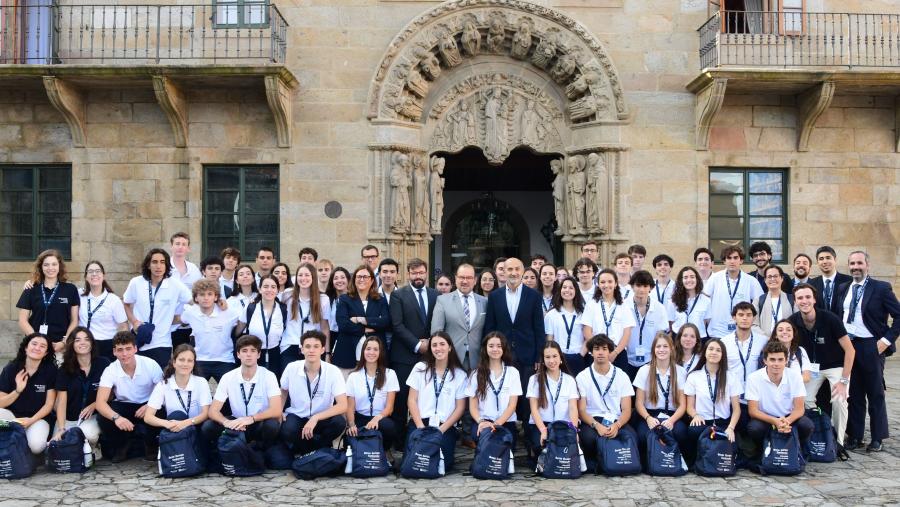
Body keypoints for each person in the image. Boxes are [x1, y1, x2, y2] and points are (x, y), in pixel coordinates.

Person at [834, 251, 900, 452]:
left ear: (867, 265)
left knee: (875, 393)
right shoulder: (843, 288)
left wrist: (886, 341)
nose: (855, 266)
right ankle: (855, 436)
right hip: (849, 347)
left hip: (871, 345)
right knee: (853, 393)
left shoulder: (881, 288)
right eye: (852, 263)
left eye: (859, 263)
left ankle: (878, 437)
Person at [789, 283, 853, 451]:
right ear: (795, 301)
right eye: (800, 298)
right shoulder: (793, 322)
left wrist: (844, 381)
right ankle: (820, 432)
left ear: (814, 299)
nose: (804, 301)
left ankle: (838, 442)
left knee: (839, 399)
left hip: (835, 366)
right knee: (805, 400)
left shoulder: (830, 319)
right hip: (811, 368)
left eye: (808, 297)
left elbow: (850, 350)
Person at [483, 257, 544, 421]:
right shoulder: (495, 296)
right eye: (509, 269)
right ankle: (507, 429)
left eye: (517, 269)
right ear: (503, 271)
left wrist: (539, 355)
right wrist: (488, 354)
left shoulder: (534, 296)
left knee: (525, 393)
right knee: (504, 392)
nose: (514, 273)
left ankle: (526, 430)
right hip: (502, 354)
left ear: (523, 271)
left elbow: (539, 328)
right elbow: (490, 327)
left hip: (528, 353)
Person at [388, 258, 438, 444]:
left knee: (427, 397)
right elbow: (397, 325)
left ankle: (427, 437)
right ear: (408, 274)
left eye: (421, 272)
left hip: (430, 356)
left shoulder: (436, 295)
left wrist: (431, 344)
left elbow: (439, 322)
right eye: (414, 273)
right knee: (401, 400)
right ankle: (401, 442)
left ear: (426, 273)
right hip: (404, 355)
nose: (418, 276)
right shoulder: (398, 295)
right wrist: (418, 344)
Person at [202, 335, 282, 450]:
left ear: (259, 354)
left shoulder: (269, 376)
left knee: (272, 425)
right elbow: (213, 411)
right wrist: (226, 422)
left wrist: (252, 418)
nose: (248, 354)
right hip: (236, 423)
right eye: (244, 351)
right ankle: (226, 451)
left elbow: (276, 410)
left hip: (257, 422)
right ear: (238, 354)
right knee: (208, 426)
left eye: (253, 351)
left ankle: (261, 451)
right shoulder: (228, 377)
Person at [96, 331, 163, 462]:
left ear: (135, 349)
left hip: (147, 403)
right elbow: (100, 402)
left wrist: (150, 405)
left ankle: (151, 445)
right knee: (104, 416)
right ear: (114, 352)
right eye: (120, 350)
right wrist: (117, 418)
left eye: (128, 349)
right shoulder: (110, 370)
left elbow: (164, 391)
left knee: (161, 410)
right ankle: (122, 445)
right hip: (124, 405)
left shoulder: (150, 364)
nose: (124, 354)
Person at [406, 332, 467, 472]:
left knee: (443, 464)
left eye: (442, 344)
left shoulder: (460, 375)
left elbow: (460, 408)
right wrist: (420, 426)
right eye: (434, 345)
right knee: (414, 462)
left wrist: (441, 430)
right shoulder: (420, 368)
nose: (438, 348)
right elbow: (412, 400)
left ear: (450, 347)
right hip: (420, 423)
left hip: (444, 425)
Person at [123, 248, 192, 369]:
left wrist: (181, 318)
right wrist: (134, 321)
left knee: (159, 382)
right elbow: (126, 303)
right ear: (148, 265)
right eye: (154, 262)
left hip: (162, 343)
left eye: (162, 262)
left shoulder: (175, 285)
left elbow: (194, 301)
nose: (158, 266)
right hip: (139, 340)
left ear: (166, 265)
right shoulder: (136, 282)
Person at [280, 331, 347, 454]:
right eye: (307, 346)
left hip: (322, 417)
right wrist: (279, 411)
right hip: (298, 415)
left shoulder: (333, 371)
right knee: (287, 429)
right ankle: (314, 451)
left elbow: (343, 405)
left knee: (339, 422)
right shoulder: (291, 367)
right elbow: (283, 390)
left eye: (316, 346)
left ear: (322, 350)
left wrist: (315, 418)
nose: (311, 350)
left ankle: (313, 450)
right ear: (301, 349)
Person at [745, 340, 814, 459]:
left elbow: (799, 409)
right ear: (765, 361)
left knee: (807, 425)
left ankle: (797, 449)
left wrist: (787, 421)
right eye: (772, 359)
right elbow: (753, 411)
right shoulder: (753, 378)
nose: (776, 364)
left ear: (786, 361)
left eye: (780, 359)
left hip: (789, 417)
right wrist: (775, 422)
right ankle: (762, 451)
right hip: (766, 418)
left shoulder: (795, 376)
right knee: (754, 428)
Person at [576, 334, 637, 467]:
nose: (601, 352)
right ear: (591, 352)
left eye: (604, 348)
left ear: (610, 351)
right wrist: (597, 426)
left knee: (632, 436)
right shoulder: (583, 376)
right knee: (589, 439)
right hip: (592, 420)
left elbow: (626, 410)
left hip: (616, 419)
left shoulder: (621, 375)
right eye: (597, 349)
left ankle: (618, 463)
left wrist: (617, 425)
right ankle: (597, 463)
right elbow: (581, 410)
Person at [632, 332, 688, 468]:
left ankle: (674, 462)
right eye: (658, 347)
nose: (661, 350)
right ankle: (649, 464)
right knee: (642, 435)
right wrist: (648, 418)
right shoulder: (644, 370)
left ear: (672, 349)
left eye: (665, 346)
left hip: (671, 415)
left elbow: (682, 405)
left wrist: (672, 420)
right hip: (650, 414)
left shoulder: (680, 371)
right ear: (653, 350)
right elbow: (638, 402)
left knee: (680, 432)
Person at [683, 338, 742, 465]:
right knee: (694, 431)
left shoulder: (731, 377)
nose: (714, 352)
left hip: (724, 423)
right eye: (710, 349)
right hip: (703, 422)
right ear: (705, 352)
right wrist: (695, 415)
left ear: (723, 355)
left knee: (730, 446)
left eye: (718, 350)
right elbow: (689, 407)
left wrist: (731, 428)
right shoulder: (694, 376)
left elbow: (736, 409)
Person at [53, 327, 109, 456]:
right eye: (77, 340)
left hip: (94, 415)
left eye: (86, 339)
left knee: (86, 434)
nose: (82, 343)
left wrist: (94, 405)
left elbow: (111, 394)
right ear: (72, 344)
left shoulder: (103, 364)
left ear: (92, 343)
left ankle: (94, 446)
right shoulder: (65, 369)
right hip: (70, 418)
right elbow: (61, 401)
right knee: (59, 443)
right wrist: (61, 428)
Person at [0, 333, 57, 455]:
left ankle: (24, 450)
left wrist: (31, 420)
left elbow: (49, 405)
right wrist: (17, 391)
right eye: (34, 344)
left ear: (46, 353)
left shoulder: (50, 371)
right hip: (13, 418)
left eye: (42, 346)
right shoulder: (11, 369)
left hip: (38, 419)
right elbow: (1, 403)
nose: (37, 348)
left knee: (36, 446)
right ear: (26, 347)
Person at [17, 249, 80, 355]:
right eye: (46, 265)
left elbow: (75, 320)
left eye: (54, 264)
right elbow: (22, 321)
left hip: (60, 347)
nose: (50, 268)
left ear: (59, 266)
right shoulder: (31, 288)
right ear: (41, 267)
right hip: (36, 347)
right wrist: (38, 342)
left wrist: (64, 342)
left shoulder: (71, 289)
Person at [525, 341, 580, 461]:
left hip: (563, 425)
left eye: (554, 356)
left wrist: (573, 430)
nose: (551, 361)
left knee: (564, 448)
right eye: (547, 357)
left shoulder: (569, 380)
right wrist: (543, 430)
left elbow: (573, 408)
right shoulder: (534, 380)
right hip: (542, 424)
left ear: (560, 357)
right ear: (543, 360)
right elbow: (534, 409)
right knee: (541, 446)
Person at [466, 332, 522, 449]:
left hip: (505, 421)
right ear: (485, 348)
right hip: (483, 421)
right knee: (485, 440)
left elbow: (512, 405)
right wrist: (481, 422)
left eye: (499, 346)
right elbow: (473, 407)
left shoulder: (513, 372)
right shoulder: (475, 374)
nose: (495, 349)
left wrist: (496, 424)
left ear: (504, 348)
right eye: (491, 346)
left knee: (505, 443)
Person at [346, 336, 399, 456]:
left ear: (380, 353)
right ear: (363, 351)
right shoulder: (353, 376)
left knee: (389, 426)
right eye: (368, 348)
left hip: (380, 418)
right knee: (349, 441)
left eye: (375, 349)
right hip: (360, 418)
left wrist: (377, 418)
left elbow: (389, 408)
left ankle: (384, 452)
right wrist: (352, 424)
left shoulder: (390, 374)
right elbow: (350, 407)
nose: (371, 352)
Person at [179, 279, 240, 382]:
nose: (206, 298)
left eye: (210, 294)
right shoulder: (191, 312)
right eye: (202, 294)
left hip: (225, 360)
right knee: (196, 394)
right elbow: (178, 319)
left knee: (230, 395)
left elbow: (244, 320)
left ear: (216, 297)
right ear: (196, 298)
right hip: (200, 360)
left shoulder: (228, 312)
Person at [335, 266, 391, 377]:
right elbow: (343, 324)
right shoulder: (345, 299)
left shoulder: (380, 300)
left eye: (365, 276)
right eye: (359, 276)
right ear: (354, 280)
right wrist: (365, 328)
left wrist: (361, 319)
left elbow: (385, 322)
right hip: (348, 352)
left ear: (371, 280)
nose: (362, 279)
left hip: (375, 354)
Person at [722, 301, 768, 435]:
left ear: (754, 318)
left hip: (755, 397)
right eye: (741, 315)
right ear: (734, 317)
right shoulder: (724, 342)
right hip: (732, 397)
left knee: (755, 429)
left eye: (748, 315)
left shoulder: (763, 341)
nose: (744, 318)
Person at [431, 263, 487, 372]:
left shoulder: (484, 302)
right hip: (451, 360)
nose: (465, 281)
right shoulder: (442, 301)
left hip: (477, 362)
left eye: (469, 278)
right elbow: (436, 332)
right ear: (456, 279)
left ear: (475, 280)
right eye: (461, 277)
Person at [143, 345, 211, 434]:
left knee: (208, 426)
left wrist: (185, 423)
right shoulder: (163, 384)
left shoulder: (201, 382)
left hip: (196, 425)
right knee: (177, 415)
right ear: (174, 362)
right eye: (181, 360)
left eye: (189, 361)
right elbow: (148, 417)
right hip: (174, 428)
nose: (185, 364)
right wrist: (167, 424)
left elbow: (205, 414)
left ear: (193, 364)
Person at [580, 268, 635, 372]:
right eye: (603, 282)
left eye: (610, 282)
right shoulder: (591, 304)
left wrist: (615, 353)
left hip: (618, 354)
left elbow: (627, 333)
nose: (606, 285)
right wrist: (598, 350)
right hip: (596, 354)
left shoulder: (623, 305)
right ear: (598, 284)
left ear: (615, 284)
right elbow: (587, 330)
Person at [234, 275, 287, 377]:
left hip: (275, 354)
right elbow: (238, 331)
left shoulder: (283, 309)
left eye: (273, 287)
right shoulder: (251, 307)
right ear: (260, 289)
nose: (269, 290)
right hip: (253, 353)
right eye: (266, 286)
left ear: (277, 290)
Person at [705, 246, 763, 339]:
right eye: (729, 258)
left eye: (735, 258)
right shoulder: (715, 278)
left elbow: (760, 303)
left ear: (741, 261)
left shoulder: (751, 281)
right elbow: (705, 301)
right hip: (717, 331)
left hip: (741, 333)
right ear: (724, 261)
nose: (732, 261)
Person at [281, 263, 331, 366]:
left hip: (313, 347)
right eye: (300, 275)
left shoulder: (323, 299)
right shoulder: (287, 295)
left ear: (313, 277)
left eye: (307, 275)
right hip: (290, 345)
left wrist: (327, 352)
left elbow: (324, 327)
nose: (303, 278)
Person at [625, 271, 670, 380]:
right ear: (632, 286)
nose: (641, 289)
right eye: (638, 285)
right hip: (627, 359)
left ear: (651, 288)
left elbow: (662, 334)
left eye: (645, 286)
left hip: (650, 359)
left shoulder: (659, 308)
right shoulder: (623, 306)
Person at [79, 260, 128, 361]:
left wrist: (120, 348)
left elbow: (123, 326)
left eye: (98, 271)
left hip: (106, 346)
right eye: (90, 271)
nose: (94, 274)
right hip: (85, 345)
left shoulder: (113, 299)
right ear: (85, 276)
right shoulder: (79, 295)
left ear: (103, 275)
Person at [545, 277, 587, 375]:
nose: (567, 290)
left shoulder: (583, 314)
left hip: (578, 357)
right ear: (560, 291)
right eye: (564, 287)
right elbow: (549, 339)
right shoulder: (551, 314)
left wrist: (581, 355)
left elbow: (587, 338)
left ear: (576, 291)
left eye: (571, 288)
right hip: (558, 358)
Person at [169, 233, 203, 349]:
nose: (180, 247)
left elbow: (199, 293)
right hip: (169, 323)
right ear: (171, 246)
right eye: (177, 244)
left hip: (189, 325)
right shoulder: (165, 269)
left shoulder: (193, 269)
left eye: (184, 244)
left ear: (188, 248)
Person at [667, 266, 710, 339]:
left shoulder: (706, 300)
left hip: (699, 339)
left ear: (697, 279)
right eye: (685, 277)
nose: (689, 280)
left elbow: (706, 322)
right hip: (678, 338)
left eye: (692, 277)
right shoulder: (673, 301)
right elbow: (671, 322)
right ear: (681, 281)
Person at [754, 265, 795, 336]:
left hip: (786, 341)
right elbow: (754, 325)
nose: (772, 279)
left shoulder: (792, 299)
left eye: (775, 276)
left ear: (782, 278)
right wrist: (766, 338)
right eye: (769, 277)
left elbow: (797, 323)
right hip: (765, 343)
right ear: (765, 280)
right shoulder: (758, 301)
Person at [810, 245, 852, 312]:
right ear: (817, 262)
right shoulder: (811, 284)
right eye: (821, 259)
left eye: (828, 258)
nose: (825, 262)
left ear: (835, 260)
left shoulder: (849, 281)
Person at [326, 267, 351, 334]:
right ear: (332, 282)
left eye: (342, 277)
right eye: (336, 278)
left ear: (348, 280)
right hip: (331, 336)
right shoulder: (328, 299)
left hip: (347, 335)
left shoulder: (354, 299)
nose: (339, 280)